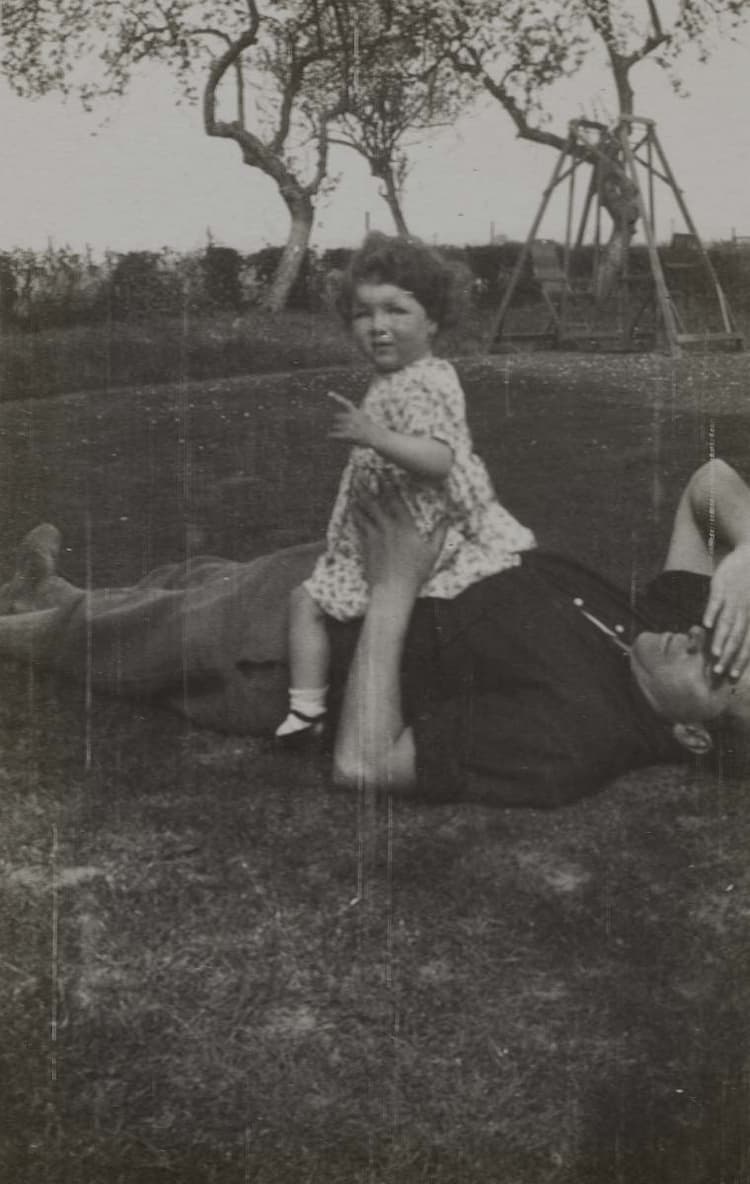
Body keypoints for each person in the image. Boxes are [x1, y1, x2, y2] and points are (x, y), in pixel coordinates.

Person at [1, 459, 749, 807]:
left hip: (276, 647)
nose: (706, 637)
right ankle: (52, 586)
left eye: (725, 669)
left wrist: (395, 583)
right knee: (188, 577)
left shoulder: (576, 736)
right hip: (327, 576)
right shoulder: (660, 628)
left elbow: (363, 764)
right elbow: (708, 482)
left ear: (693, 739)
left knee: (88, 637)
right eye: (733, 634)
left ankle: (40, 609)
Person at [274, 233, 535, 746]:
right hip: (393, 523)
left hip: (423, 528)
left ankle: (309, 708)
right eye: (364, 314)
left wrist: (375, 436)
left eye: (396, 311)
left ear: (433, 320)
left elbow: (439, 459)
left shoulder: (430, 380)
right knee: (303, 599)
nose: (379, 327)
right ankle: (307, 711)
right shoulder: (393, 380)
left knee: (306, 600)